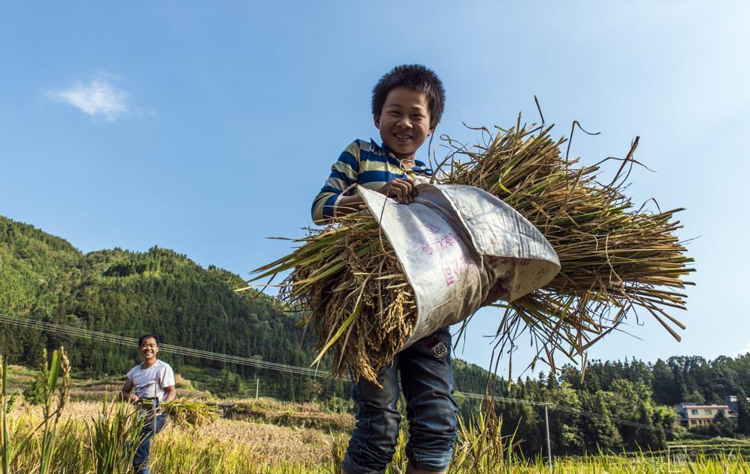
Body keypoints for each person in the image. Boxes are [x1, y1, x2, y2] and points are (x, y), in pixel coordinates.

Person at [311, 64, 456, 474]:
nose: (405, 122)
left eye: (416, 115)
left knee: (437, 422)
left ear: (432, 125)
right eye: (395, 111)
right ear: (377, 117)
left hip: (426, 308)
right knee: (380, 425)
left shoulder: (436, 181)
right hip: (367, 304)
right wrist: (377, 197)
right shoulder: (360, 153)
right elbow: (322, 208)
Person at [121, 334, 176, 474]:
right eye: (145, 345)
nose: (148, 348)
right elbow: (123, 393)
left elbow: (171, 392)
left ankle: (140, 470)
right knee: (136, 446)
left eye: (152, 345)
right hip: (140, 415)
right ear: (140, 349)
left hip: (156, 414)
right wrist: (131, 397)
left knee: (140, 441)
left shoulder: (163, 368)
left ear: (157, 349)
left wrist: (162, 406)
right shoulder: (134, 371)